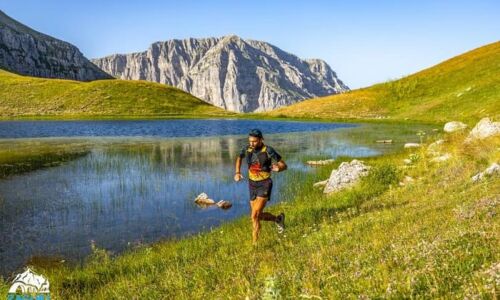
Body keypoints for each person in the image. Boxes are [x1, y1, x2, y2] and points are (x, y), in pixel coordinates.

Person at [234, 129, 287, 244]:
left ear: (261, 139)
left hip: (265, 184)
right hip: (252, 184)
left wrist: (279, 168)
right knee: (258, 215)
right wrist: (237, 172)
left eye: (254, 141)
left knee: (254, 215)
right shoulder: (247, 148)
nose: (251, 144)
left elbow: (284, 165)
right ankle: (278, 219)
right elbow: (239, 158)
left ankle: (255, 244)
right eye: (250, 141)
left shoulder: (268, 150)